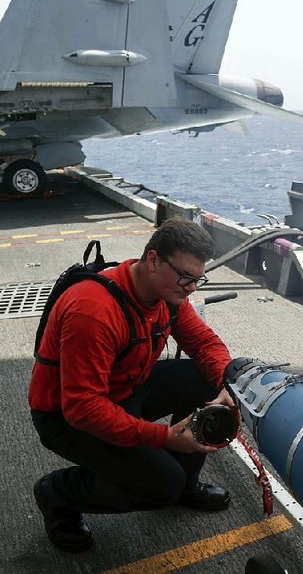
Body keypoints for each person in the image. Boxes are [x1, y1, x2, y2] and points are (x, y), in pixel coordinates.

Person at [29, 218, 235, 552]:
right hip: (65, 416)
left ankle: (185, 483)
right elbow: (82, 408)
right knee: (160, 485)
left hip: (123, 389)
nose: (191, 288)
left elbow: (205, 344)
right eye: (185, 276)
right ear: (153, 260)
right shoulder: (93, 310)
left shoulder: (166, 294)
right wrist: (163, 438)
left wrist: (228, 381)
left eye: (198, 279)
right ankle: (58, 493)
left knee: (203, 377)